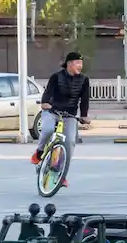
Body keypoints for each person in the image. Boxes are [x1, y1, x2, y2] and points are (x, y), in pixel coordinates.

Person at [32, 52, 91, 187]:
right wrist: (45, 103)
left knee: (70, 142)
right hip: (52, 111)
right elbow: (47, 94)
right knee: (47, 130)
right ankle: (39, 152)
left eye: (81, 63)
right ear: (69, 64)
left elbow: (84, 100)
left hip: (70, 115)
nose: (80, 66)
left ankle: (61, 175)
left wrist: (84, 115)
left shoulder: (84, 80)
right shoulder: (56, 77)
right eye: (78, 63)